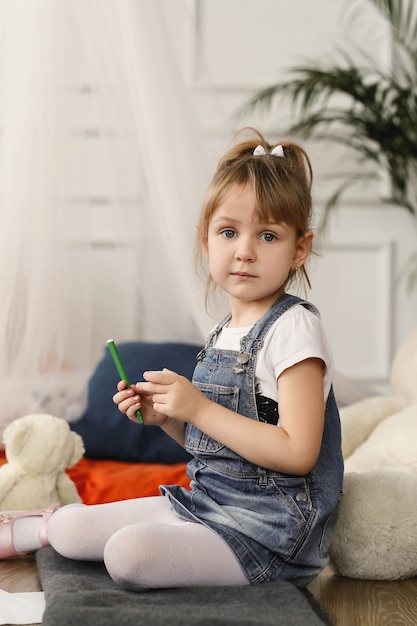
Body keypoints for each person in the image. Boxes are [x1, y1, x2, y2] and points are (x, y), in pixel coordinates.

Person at [1, 128, 343, 590]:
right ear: (207, 241)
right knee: (70, 528)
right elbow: (219, 450)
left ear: (298, 249)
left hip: (270, 536)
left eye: (267, 235)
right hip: (207, 505)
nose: (244, 250)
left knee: (128, 555)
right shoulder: (224, 332)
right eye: (229, 232)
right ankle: (26, 528)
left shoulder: (294, 328)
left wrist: (199, 407)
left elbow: (298, 453)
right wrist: (167, 419)